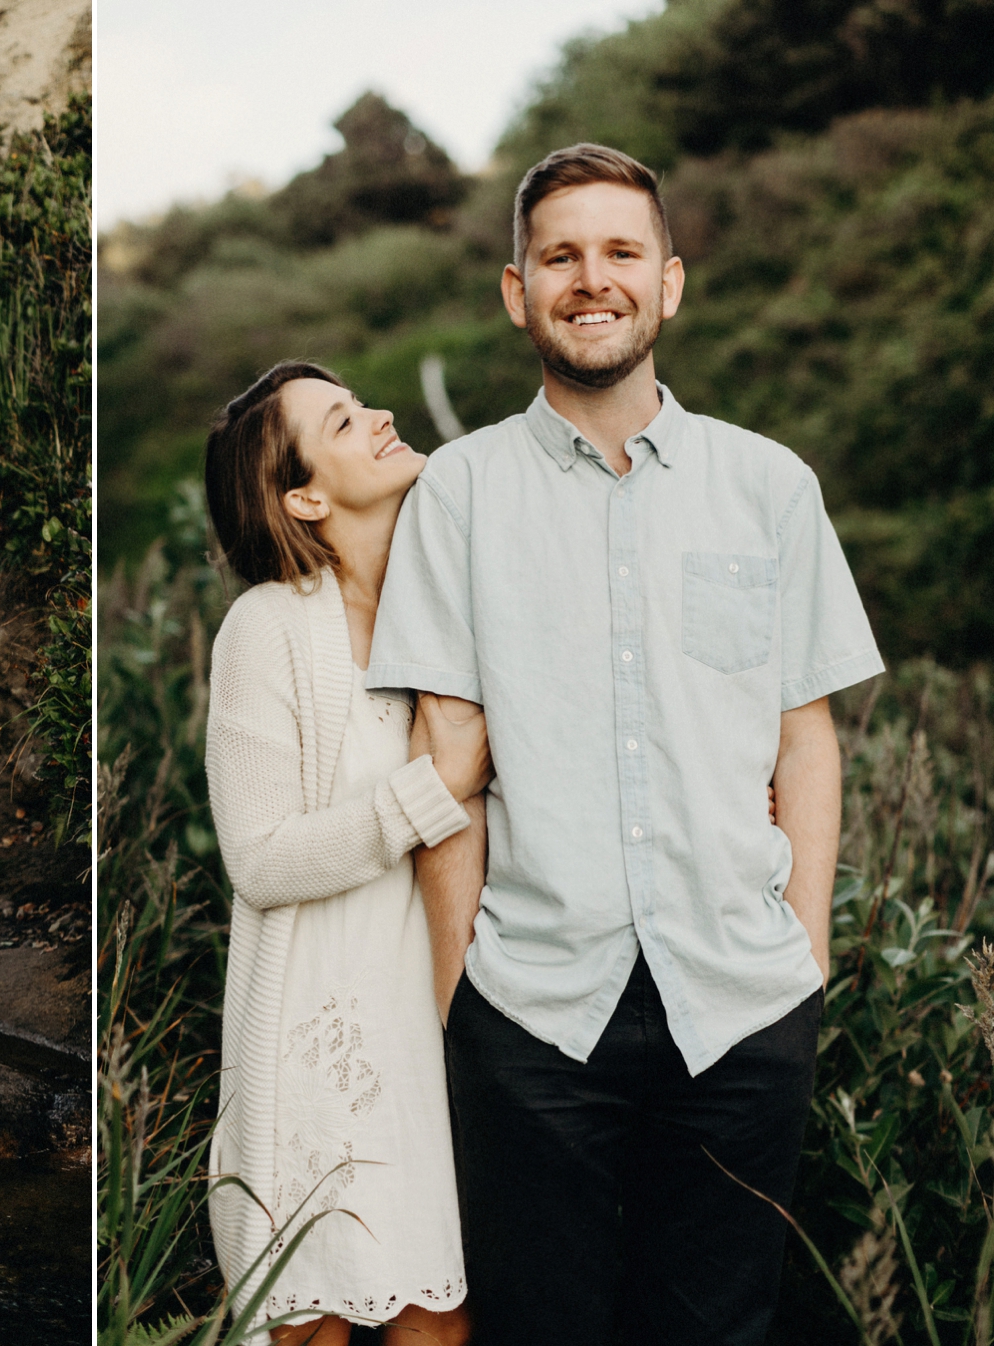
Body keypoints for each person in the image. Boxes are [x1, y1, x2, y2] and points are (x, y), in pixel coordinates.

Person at [370, 144, 885, 1344]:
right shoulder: (457, 492)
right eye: (560, 255)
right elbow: (444, 741)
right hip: (534, 1010)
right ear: (518, 289)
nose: (589, 279)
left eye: (619, 253)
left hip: (740, 1003)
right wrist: (463, 998)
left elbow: (805, 743)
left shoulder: (770, 486)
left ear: (669, 282)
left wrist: (799, 964)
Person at [202, 361, 492, 1346]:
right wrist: (432, 787)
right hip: (317, 1057)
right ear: (304, 495)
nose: (379, 417)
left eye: (362, 402)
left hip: (436, 1044)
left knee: (439, 1325)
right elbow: (261, 854)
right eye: (343, 418)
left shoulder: (457, 609)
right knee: (315, 1328)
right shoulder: (268, 628)